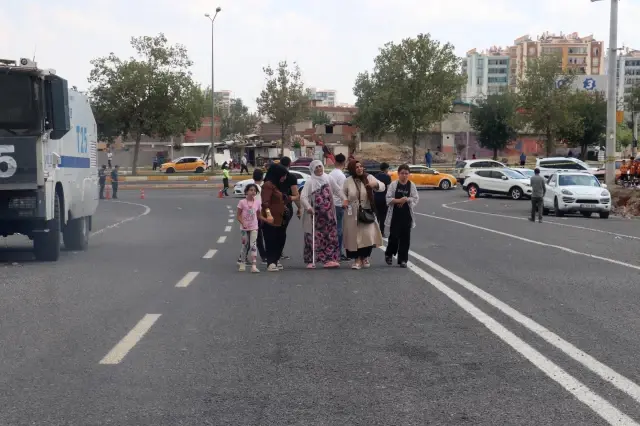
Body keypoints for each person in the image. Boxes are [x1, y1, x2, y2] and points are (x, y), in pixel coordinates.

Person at [342, 159, 386, 270]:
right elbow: (342, 193)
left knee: (367, 236)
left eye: (361, 166)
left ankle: (365, 257)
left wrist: (375, 184)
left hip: (366, 212)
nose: (359, 168)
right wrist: (345, 200)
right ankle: (357, 259)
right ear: (352, 169)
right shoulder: (348, 181)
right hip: (352, 213)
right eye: (357, 167)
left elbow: (382, 186)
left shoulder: (369, 177)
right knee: (354, 237)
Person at [301, 160, 346, 269]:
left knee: (329, 237)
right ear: (312, 169)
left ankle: (329, 259)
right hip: (314, 216)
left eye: (320, 166)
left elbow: (337, 190)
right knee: (312, 237)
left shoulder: (328, 178)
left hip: (328, 215)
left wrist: (344, 199)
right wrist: (308, 207)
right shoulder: (310, 182)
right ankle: (311, 260)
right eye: (316, 167)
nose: (319, 169)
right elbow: (303, 197)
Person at [384, 164, 419, 268]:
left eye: (406, 173)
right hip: (395, 215)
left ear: (409, 174)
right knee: (394, 237)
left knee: (405, 239)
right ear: (398, 174)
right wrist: (398, 200)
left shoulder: (411, 185)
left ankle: (403, 259)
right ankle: (389, 254)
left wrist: (406, 200)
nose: (404, 175)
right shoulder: (393, 185)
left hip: (406, 215)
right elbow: (388, 199)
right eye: (402, 173)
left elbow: (415, 198)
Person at [261, 164, 288, 271]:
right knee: (270, 240)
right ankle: (270, 262)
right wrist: (268, 214)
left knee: (280, 239)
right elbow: (265, 202)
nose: (284, 178)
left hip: (280, 219)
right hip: (270, 219)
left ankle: (275, 260)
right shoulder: (268, 185)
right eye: (283, 175)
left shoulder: (276, 185)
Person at [236, 184, 265, 273]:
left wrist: (266, 220)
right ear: (246, 191)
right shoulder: (242, 202)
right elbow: (238, 215)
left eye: (254, 190)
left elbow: (259, 215)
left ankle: (254, 266)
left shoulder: (257, 202)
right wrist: (243, 223)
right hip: (244, 228)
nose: (253, 192)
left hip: (254, 227)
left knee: (253, 245)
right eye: (251, 190)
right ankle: (242, 263)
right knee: (245, 245)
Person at [277, 157, 301, 261]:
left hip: (273, 207)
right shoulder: (291, 177)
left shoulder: (273, 176)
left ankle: (272, 251)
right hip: (287, 207)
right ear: (290, 164)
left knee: (273, 230)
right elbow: (296, 194)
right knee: (282, 230)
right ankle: (279, 251)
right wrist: (300, 208)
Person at [328, 153, 348, 260]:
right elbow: (342, 192)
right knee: (339, 229)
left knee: (332, 228)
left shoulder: (330, 174)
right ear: (343, 163)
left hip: (330, 203)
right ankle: (338, 252)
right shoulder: (341, 176)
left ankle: (331, 251)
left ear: (335, 161)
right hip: (339, 204)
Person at [374, 162, 392, 236]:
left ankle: (375, 232)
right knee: (383, 216)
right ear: (386, 169)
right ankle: (382, 232)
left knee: (376, 216)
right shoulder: (387, 177)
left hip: (376, 198)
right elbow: (389, 189)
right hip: (384, 199)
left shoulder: (376, 176)